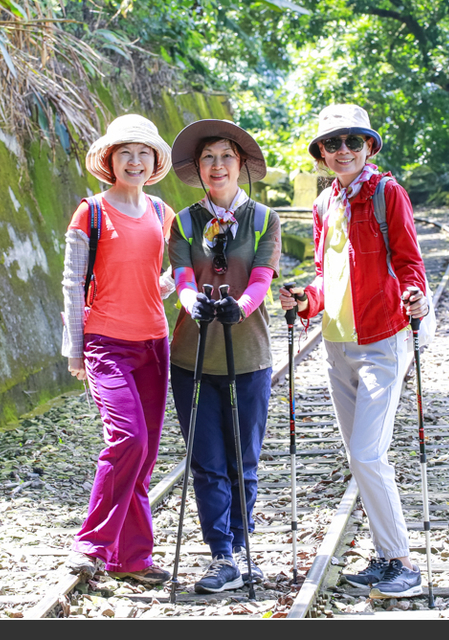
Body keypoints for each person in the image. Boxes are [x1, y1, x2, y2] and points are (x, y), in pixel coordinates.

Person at [279, 104, 430, 599]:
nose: (343, 150)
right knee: (357, 455)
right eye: (333, 143)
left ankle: (403, 563)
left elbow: (409, 260)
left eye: (353, 141)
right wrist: (307, 300)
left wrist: (416, 295)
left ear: (369, 147)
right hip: (335, 344)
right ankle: (387, 557)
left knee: (367, 452)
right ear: (321, 154)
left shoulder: (388, 193)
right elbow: (326, 275)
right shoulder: (325, 203)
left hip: (382, 341)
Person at [60, 114, 177, 585]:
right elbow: (71, 285)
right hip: (106, 344)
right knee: (127, 439)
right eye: (125, 152)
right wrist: (74, 350)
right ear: (109, 159)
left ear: (154, 161)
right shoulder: (90, 212)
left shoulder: (162, 212)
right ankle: (91, 544)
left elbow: (166, 277)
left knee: (144, 455)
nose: (134, 160)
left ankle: (130, 557)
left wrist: (171, 284)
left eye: (143, 152)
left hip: (154, 344)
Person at [167, 120, 282, 593]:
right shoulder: (184, 221)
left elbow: (261, 277)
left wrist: (242, 306)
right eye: (209, 157)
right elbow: (181, 274)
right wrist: (191, 301)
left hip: (249, 355)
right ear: (199, 168)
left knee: (243, 460)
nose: (218, 165)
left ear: (240, 166)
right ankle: (221, 555)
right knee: (206, 462)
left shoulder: (263, 219)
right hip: (192, 357)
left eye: (226, 157)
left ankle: (242, 545)